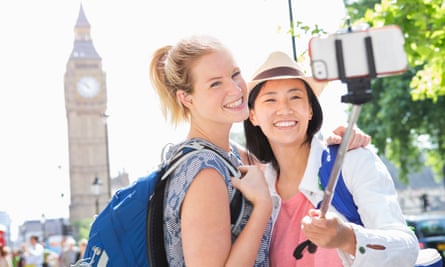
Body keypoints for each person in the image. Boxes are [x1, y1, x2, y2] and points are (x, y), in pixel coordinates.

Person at [243, 51, 419, 266]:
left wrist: (348, 238)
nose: (284, 109)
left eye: (295, 97)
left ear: (309, 109)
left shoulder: (351, 161)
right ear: (253, 115)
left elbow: (407, 249)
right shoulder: (257, 190)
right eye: (270, 100)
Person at [149, 34, 273, 266]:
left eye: (235, 74)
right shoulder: (205, 172)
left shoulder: (227, 155)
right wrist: (262, 207)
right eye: (215, 83)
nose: (235, 90)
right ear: (186, 98)